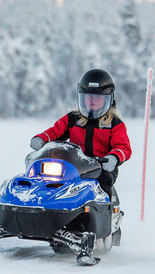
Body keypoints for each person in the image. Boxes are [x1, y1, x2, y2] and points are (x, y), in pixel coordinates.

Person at [30, 69, 132, 203]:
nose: (92, 101)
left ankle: (103, 211)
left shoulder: (114, 124)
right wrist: (42, 138)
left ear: (109, 99)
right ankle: (47, 205)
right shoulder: (74, 118)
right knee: (48, 177)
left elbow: (123, 147)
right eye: (88, 97)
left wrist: (113, 158)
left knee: (103, 182)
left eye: (97, 97)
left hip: (101, 168)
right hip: (75, 165)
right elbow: (55, 131)